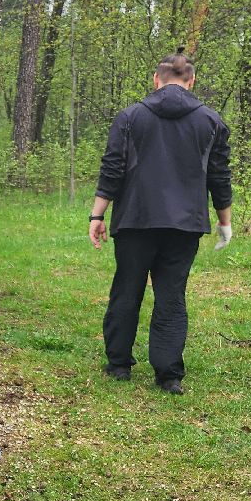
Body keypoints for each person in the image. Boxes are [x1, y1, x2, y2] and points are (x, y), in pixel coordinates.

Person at [89, 51, 233, 394]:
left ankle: (119, 364)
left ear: (156, 80)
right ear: (191, 81)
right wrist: (224, 221)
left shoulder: (129, 117)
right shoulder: (211, 121)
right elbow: (219, 176)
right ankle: (168, 374)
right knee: (172, 294)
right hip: (185, 224)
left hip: (136, 219)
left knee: (127, 287)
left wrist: (98, 214)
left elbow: (113, 168)